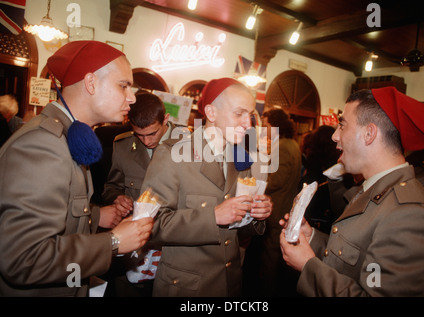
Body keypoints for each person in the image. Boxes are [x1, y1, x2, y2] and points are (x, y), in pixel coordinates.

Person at [0, 41, 153, 296]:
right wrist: (113, 242)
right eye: (123, 85)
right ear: (91, 83)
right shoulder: (44, 144)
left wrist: (95, 216)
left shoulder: (68, 136)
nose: (132, 97)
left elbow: (58, 213)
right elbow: (22, 258)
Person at [280, 87, 424, 296]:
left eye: (342, 125)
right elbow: (351, 260)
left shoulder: (410, 214)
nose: (335, 136)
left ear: (369, 134)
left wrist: (308, 266)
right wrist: (311, 237)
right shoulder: (374, 189)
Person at [141, 77, 273, 297]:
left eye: (250, 115)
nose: (248, 125)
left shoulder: (240, 158)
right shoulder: (172, 154)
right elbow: (150, 225)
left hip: (229, 284)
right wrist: (212, 217)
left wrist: (257, 214)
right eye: (238, 113)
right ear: (211, 113)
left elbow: (238, 227)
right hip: (186, 288)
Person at [102, 91, 176, 296]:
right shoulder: (122, 145)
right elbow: (111, 187)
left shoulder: (188, 145)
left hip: (173, 247)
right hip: (134, 248)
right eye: (139, 135)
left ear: (166, 120)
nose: (146, 141)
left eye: (152, 133)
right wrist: (117, 198)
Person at [245, 108, 301, 296]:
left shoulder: (284, 146)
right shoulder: (290, 144)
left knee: (270, 261)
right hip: (283, 205)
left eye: (267, 126)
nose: (264, 130)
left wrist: (255, 182)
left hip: (277, 209)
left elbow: (277, 180)